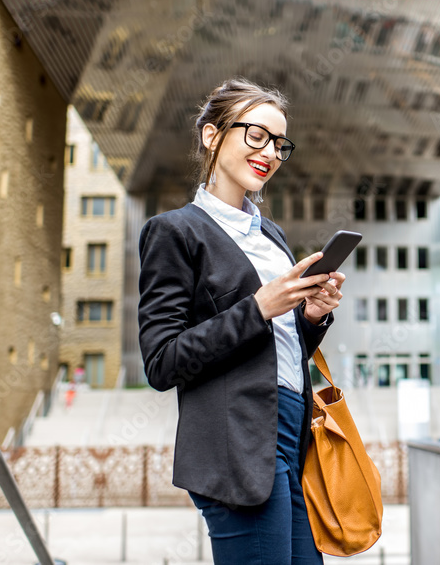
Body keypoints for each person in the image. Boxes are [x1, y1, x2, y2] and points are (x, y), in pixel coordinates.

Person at [137, 79, 345, 564]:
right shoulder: (175, 232)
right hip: (237, 445)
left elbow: (279, 348)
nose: (270, 152)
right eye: (257, 136)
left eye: (279, 144)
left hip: (293, 434)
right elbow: (162, 362)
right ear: (212, 136)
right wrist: (257, 308)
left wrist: (311, 318)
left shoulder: (271, 236)